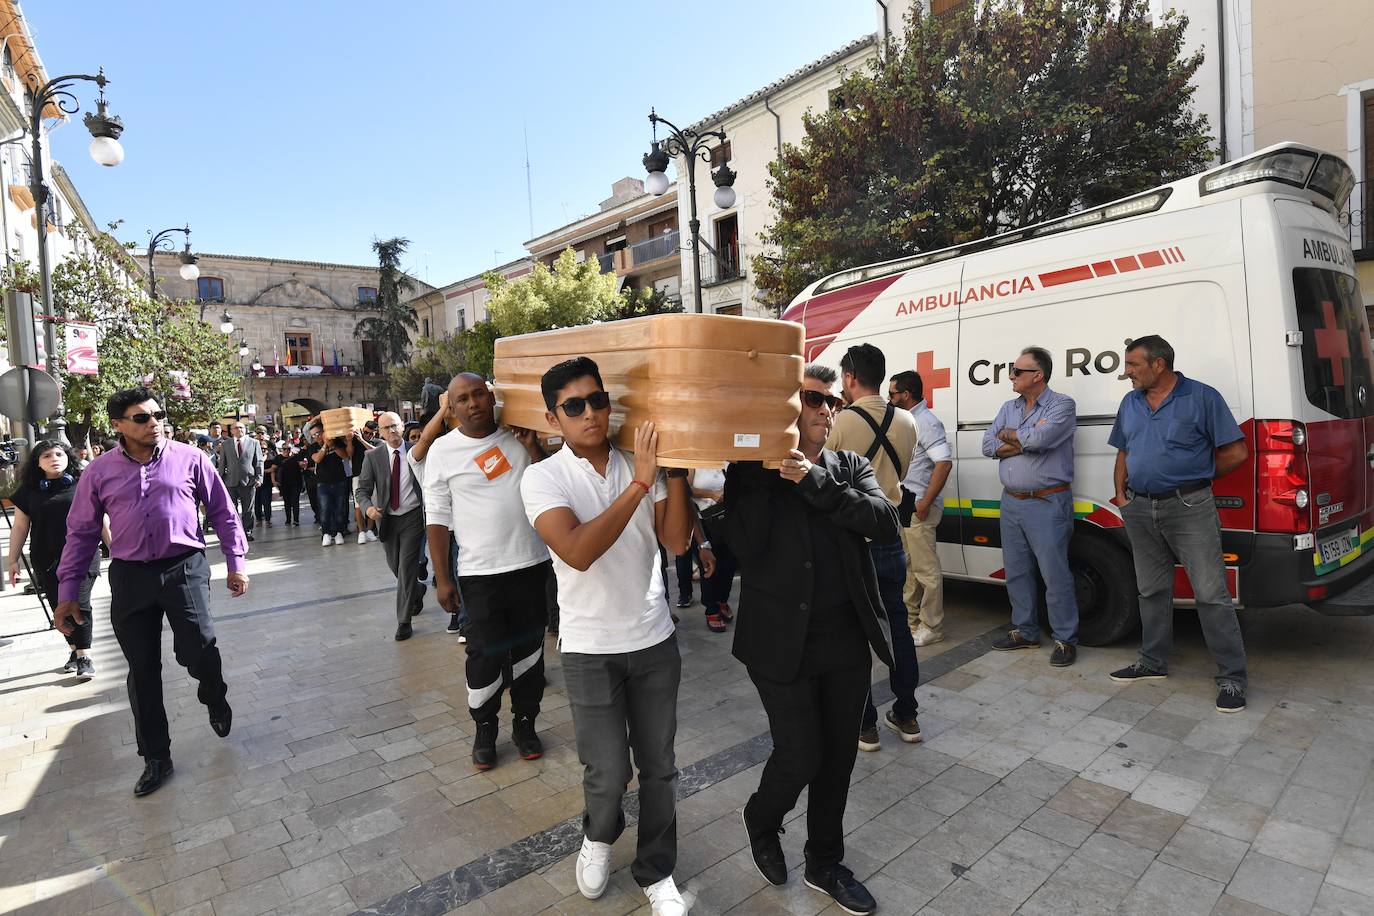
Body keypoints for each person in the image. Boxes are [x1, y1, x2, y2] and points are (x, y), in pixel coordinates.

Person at [714, 363, 896, 916]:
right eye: (812, 400)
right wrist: (765, 475)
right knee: (800, 754)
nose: (824, 410)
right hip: (777, 644)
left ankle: (824, 861)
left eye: (829, 401)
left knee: (838, 757)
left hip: (843, 639)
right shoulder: (750, 472)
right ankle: (761, 819)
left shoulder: (848, 465)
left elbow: (883, 518)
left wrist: (813, 480)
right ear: (786, 408)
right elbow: (742, 546)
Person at [520, 357, 693, 916]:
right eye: (574, 406)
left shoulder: (636, 460)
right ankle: (598, 835)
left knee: (659, 764)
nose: (591, 413)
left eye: (597, 400)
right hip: (590, 647)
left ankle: (656, 868)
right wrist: (642, 480)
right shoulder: (543, 477)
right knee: (608, 767)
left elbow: (676, 544)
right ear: (554, 418)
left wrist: (674, 473)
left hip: (652, 638)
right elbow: (577, 550)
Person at [55, 387, 248, 797]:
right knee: (142, 670)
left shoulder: (192, 458)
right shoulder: (99, 471)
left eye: (157, 414)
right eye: (141, 418)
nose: (154, 423)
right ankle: (156, 757)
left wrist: (236, 563)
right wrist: (68, 589)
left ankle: (213, 693)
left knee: (198, 648)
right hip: (130, 577)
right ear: (118, 425)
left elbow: (223, 514)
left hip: (185, 569)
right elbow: (81, 533)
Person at [1108, 335, 1249, 712]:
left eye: (1133, 365)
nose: (1127, 373)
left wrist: (1196, 475)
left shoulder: (1202, 397)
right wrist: (1121, 496)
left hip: (1190, 506)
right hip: (1139, 507)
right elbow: (1125, 450)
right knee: (1151, 590)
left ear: (1159, 365)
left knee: (1210, 593)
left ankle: (1232, 678)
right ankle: (1152, 662)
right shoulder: (1130, 402)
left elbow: (1236, 451)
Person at [425, 373, 551, 767]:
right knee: (484, 655)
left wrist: (534, 449)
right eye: (462, 398)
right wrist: (443, 578)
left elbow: (551, 484)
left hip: (531, 564)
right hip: (480, 575)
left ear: (491, 396)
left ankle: (526, 723)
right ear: (452, 408)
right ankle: (485, 729)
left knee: (530, 653)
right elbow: (437, 516)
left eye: (479, 393)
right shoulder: (443, 451)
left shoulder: (520, 436)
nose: (473, 402)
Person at [825, 343, 922, 751]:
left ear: (848, 378)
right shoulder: (907, 421)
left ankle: (864, 725)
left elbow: (826, 477)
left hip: (851, 542)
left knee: (853, 635)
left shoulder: (841, 423)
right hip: (890, 538)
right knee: (897, 625)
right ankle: (907, 712)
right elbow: (899, 472)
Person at [982, 346, 1080, 666]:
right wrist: (1021, 439)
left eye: (1017, 371)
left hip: (1047, 502)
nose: (1011, 375)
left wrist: (1013, 438)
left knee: (1055, 575)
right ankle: (1025, 631)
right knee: (1017, 572)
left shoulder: (1062, 404)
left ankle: (1065, 638)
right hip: (1011, 502)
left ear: (1037, 375)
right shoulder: (1008, 406)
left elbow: (1041, 441)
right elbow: (987, 445)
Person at [7, 440, 107, 679]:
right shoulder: (28, 491)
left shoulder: (84, 483)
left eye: (58, 454)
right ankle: (74, 649)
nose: (53, 458)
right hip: (46, 557)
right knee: (58, 605)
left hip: (84, 554)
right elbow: (20, 527)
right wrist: (12, 560)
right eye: (47, 456)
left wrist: (117, 549)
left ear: (68, 457)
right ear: (38, 463)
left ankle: (84, 655)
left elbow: (102, 520)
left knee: (79, 602)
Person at [889, 370, 953, 647]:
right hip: (905, 503)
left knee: (926, 570)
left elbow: (944, 463)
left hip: (919, 505)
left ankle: (932, 626)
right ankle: (911, 621)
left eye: (892, 394)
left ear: (905, 394)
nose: (888, 399)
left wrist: (926, 502)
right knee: (909, 568)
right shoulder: (906, 421)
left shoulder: (926, 422)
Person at [358, 412, 430, 640]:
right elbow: (362, 490)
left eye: (395, 426)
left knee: (407, 567)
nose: (391, 431)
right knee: (395, 566)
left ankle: (403, 621)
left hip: (413, 516)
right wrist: (368, 507)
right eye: (386, 428)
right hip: (387, 518)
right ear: (380, 432)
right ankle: (417, 590)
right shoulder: (373, 456)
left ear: (402, 427)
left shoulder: (416, 451)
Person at [407, 403, 466, 638]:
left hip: (463, 527)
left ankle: (463, 621)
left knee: (462, 576)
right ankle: (458, 617)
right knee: (449, 576)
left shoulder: (456, 453)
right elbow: (427, 437)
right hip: (441, 529)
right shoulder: (418, 458)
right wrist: (443, 408)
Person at [691, 467, 735, 631]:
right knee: (709, 568)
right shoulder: (694, 462)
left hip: (727, 519)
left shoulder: (724, 459)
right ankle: (711, 608)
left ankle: (722, 599)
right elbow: (686, 489)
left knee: (728, 565)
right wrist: (711, 494)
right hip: (703, 522)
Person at [312, 424, 365, 546]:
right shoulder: (313, 447)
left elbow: (346, 455)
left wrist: (333, 445)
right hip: (322, 483)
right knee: (325, 509)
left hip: (339, 480)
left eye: (319, 433)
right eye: (314, 435)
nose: (317, 437)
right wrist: (325, 445)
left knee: (340, 508)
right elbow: (317, 459)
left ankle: (339, 532)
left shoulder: (337, 443)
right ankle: (326, 533)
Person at [219, 420, 264, 542]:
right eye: (236, 428)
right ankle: (233, 531)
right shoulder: (226, 444)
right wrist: (220, 480)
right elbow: (222, 463)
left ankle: (247, 531)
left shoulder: (254, 443)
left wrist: (259, 478)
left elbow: (258, 461)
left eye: (242, 427)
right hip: (230, 481)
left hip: (248, 481)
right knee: (231, 509)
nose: (239, 430)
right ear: (232, 431)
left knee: (248, 509)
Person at [355, 420, 381, 544]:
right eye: (365, 432)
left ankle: (370, 530)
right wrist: (351, 440)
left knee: (373, 503)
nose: (368, 435)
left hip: (374, 475)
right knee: (358, 505)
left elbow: (376, 452)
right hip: (358, 474)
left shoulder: (377, 441)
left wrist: (362, 440)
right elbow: (348, 453)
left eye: (371, 434)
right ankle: (361, 531)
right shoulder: (356, 439)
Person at [274, 441, 304, 527]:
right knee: (287, 502)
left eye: (289, 449)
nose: (287, 450)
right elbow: (273, 469)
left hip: (296, 483)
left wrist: (302, 464)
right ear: (281, 449)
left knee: (295, 501)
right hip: (284, 484)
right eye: (285, 449)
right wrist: (274, 481)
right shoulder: (278, 458)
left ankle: (296, 520)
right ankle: (288, 520)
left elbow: (302, 465)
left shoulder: (296, 457)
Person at [257, 435, 280, 528]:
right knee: (257, 503)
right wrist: (266, 470)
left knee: (267, 503)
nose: (263, 450)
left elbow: (273, 469)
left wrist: (262, 471)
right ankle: (258, 519)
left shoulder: (271, 457)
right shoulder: (254, 457)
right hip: (256, 484)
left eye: (264, 448)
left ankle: (267, 520)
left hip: (266, 484)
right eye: (261, 448)